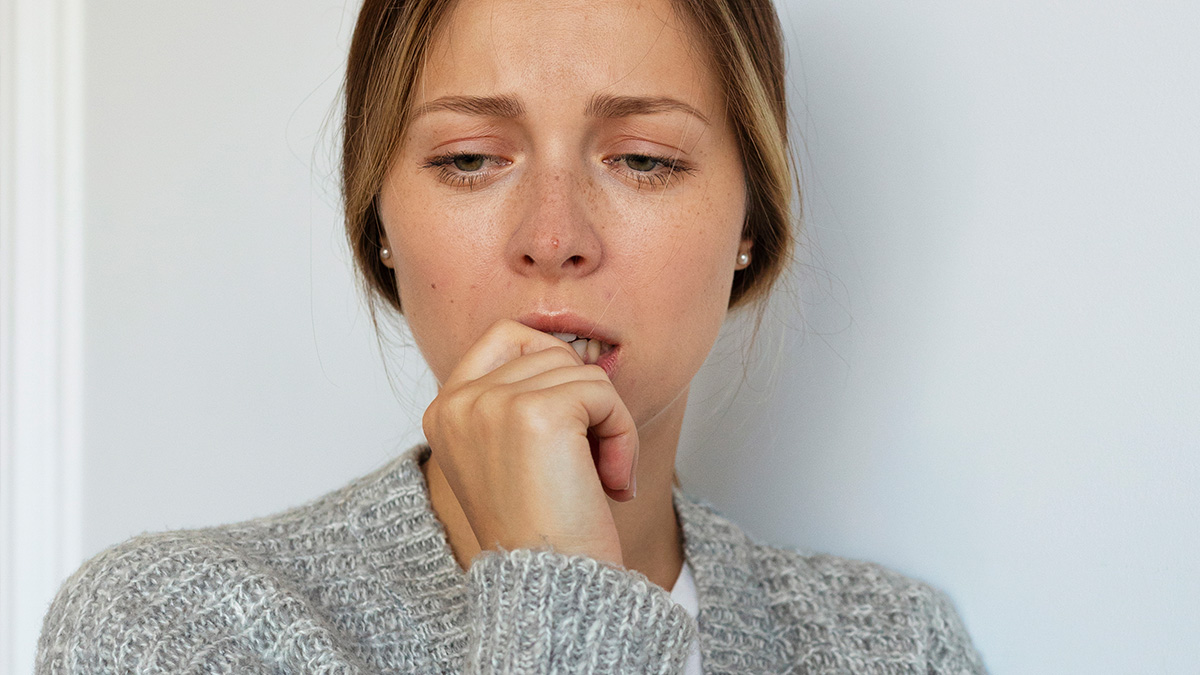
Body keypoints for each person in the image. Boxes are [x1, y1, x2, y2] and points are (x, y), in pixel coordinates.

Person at [36, 0, 987, 672]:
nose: (554, 238)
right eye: (470, 160)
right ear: (378, 219)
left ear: (751, 220)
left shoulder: (890, 644)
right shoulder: (173, 627)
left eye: (646, 159)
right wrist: (562, 585)